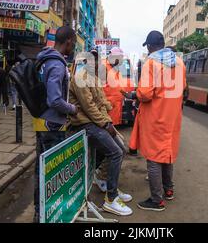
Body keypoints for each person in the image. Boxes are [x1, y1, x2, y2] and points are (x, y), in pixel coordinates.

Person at [126, 31, 186, 212]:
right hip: (173, 117)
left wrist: (134, 94)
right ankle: (168, 190)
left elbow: (145, 94)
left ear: (151, 46)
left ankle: (156, 199)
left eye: (148, 46)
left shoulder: (151, 63)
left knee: (153, 158)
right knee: (167, 155)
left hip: (156, 117)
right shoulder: (180, 62)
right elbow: (182, 87)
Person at [69, 49, 133, 216]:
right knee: (116, 153)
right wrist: (106, 124)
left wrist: (108, 118)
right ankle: (111, 199)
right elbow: (89, 108)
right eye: (92, 60)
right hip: (84, 124)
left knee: (121, 148)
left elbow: (101, 101)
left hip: (96, 122)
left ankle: (109, 186)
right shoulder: (80, 78)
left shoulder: (94, 77)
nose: (95, 63)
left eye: (97, 60)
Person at [33, 26, 78, 222]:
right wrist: (73, 109)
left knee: (41, 170)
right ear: (68, 41)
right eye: (73, 43)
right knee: (52, 173)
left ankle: (39, 212)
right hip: (52, 125)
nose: (73, 47)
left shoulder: (43, 59)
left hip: (42, 121)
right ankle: (49, 214)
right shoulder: (57, 65)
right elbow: (55, 100)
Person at [103, 47, 134, 126]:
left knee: (113, 129)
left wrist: (128, 93)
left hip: (114, 109)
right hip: (106, 109)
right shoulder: (103, 67)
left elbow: (118, 85)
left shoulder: (115, 69)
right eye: (120, 59)